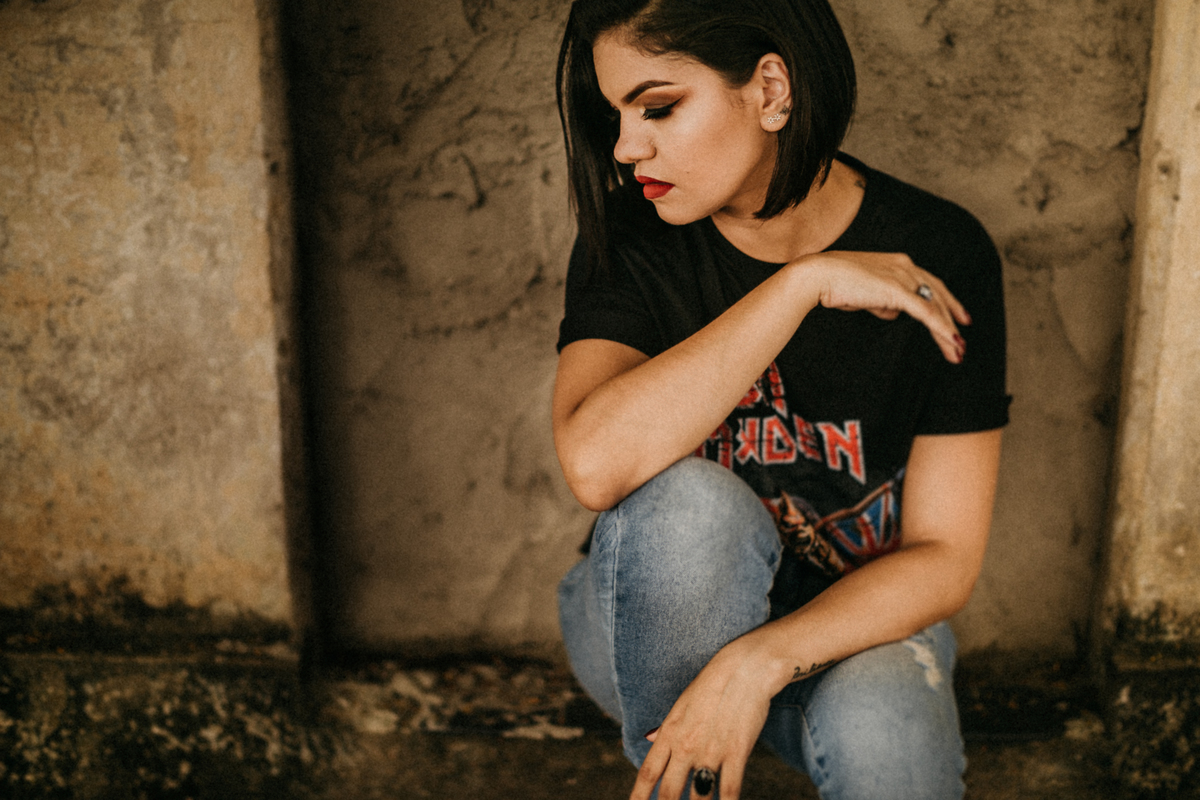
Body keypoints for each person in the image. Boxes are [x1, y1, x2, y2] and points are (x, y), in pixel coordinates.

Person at [551, 1, 1010, 798]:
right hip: (643, 623)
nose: (625, 148)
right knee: (691, 506)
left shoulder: (940, 250)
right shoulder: (632, 240)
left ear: (770, 89)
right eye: (615, 114)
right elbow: (595, 465)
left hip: (846, 626)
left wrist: (756, 662)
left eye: (657, 107)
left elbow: (945, 557)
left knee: (891, 741)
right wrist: (801, 286)